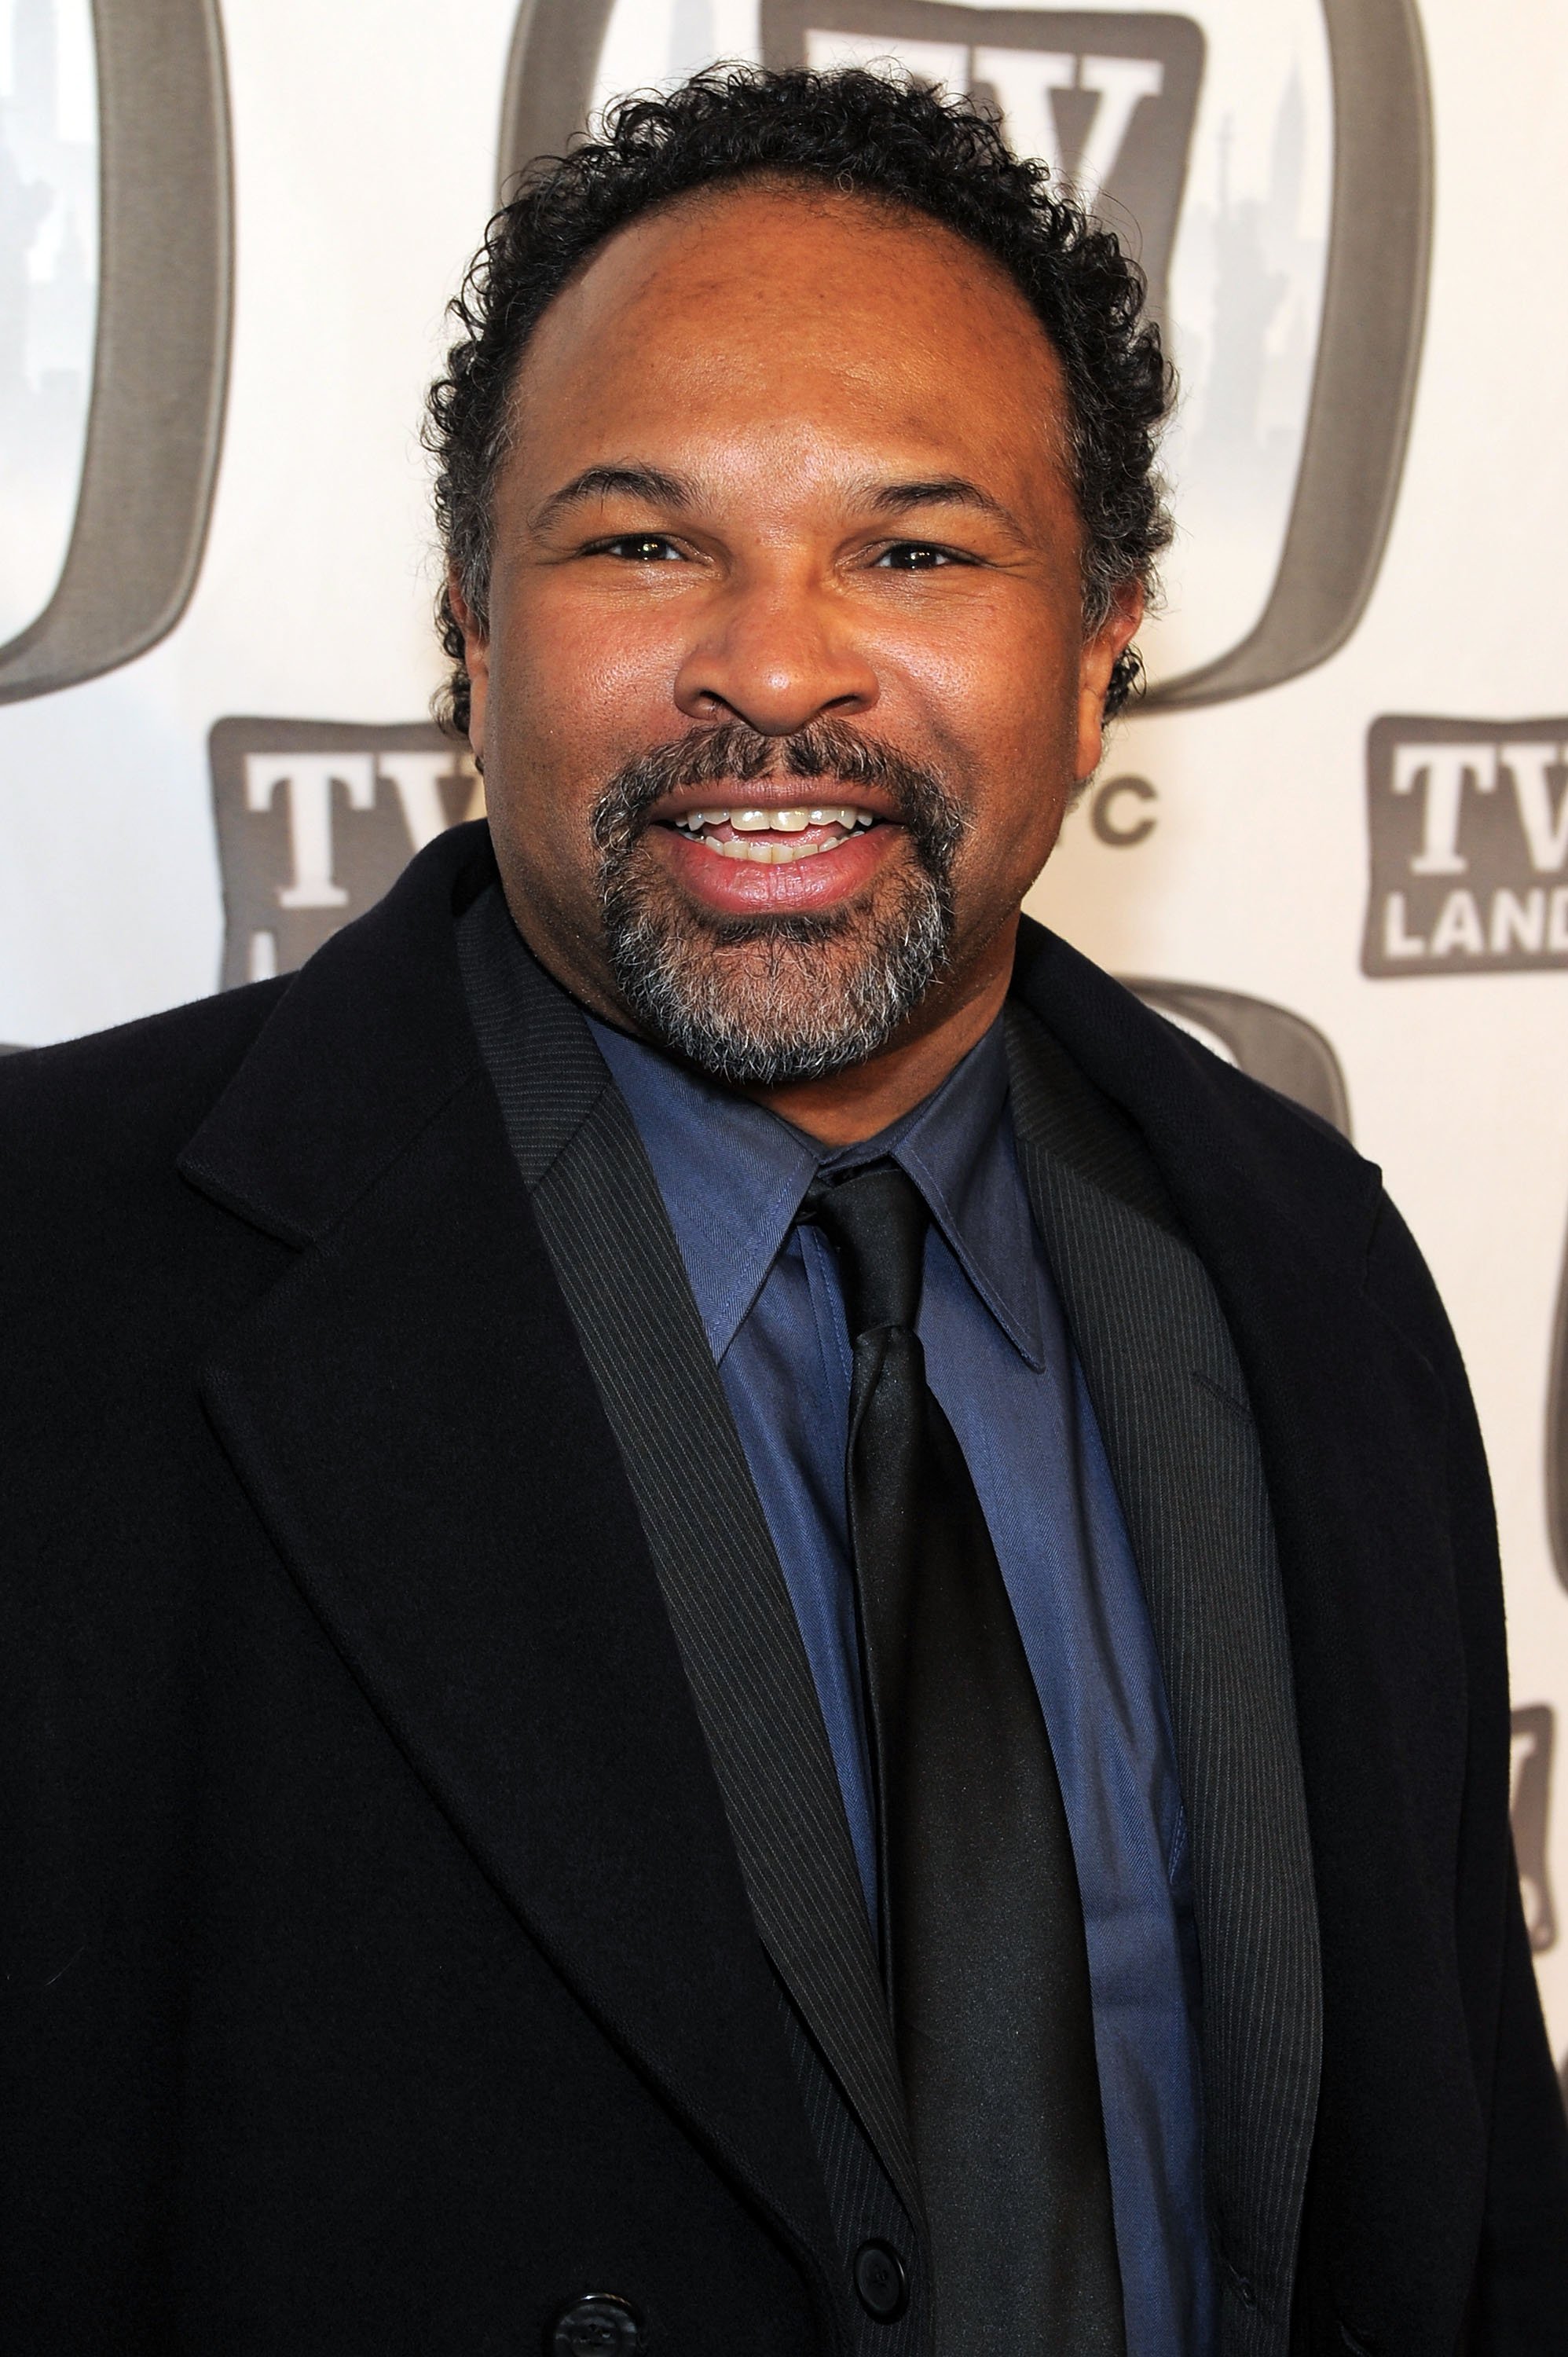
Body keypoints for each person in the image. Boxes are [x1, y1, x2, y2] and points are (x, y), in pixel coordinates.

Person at [1, 64, 1563, 2357]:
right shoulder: (57, 1289)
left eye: (912, 551)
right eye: (644, 544)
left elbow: (1465, 2209)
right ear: (470, 623)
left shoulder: (1308, 1266)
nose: (773, 664)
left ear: (1104, 640)